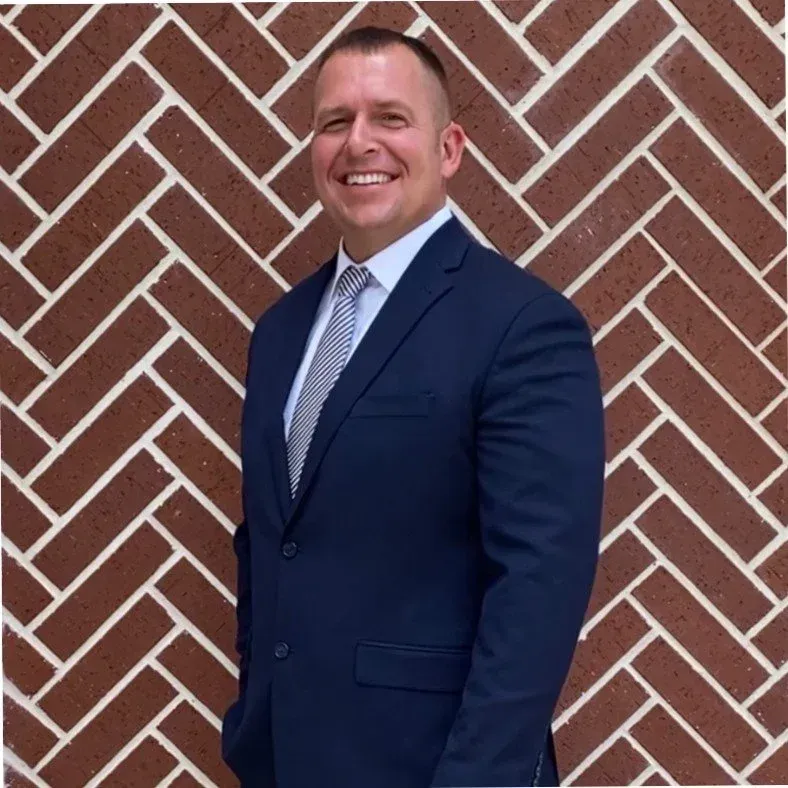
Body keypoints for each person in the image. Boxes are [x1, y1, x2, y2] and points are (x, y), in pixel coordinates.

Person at [221, 25, 605, 788]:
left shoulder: (522, 326)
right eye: (336, 122)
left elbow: (537, 590)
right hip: (285, 760)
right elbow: (268, 541)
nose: (359, 142)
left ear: (450, 148)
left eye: (390, 118)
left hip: (433, 768)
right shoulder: (281, 331)